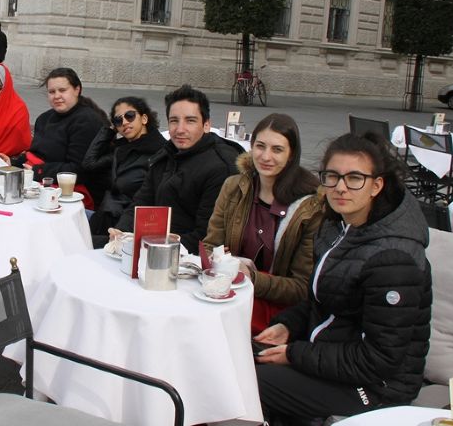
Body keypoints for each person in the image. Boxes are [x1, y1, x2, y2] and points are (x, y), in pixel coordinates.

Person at [254, 132, 432, 425]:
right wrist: (289, 324)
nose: (340, 187)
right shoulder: (337, 226)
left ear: (376, 185)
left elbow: (381, 359)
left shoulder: (394, 258)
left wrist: (296, 355)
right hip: (329, 356)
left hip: (378, 387)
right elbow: (322, 301)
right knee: (236, 356)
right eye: (332, 176)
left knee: (249, 383)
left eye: (354, 178)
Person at [202, 113, 323, 334]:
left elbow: (301, 287)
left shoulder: (309, 207)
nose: (266, 156)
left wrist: (251, 278)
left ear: (291, 154)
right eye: (260, 146)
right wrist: (218, 261)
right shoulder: (234, 187)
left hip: (276, 312)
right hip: (227, 295)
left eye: (277, 149)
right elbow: (211, 245)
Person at [115, 84, 238, 252]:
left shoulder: (220, 167)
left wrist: (152, 244)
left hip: (185, 259)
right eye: (174, 121)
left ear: (207, 125)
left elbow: (206, 236)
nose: (180, 129)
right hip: (152, 245)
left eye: (190, 121)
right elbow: (141, 203)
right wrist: (121, 232)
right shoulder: (166, 154)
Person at [10, 67, 109, 207]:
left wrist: (37, 171)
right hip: (39, 184)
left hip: (72, 194)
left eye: (62, 90)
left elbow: (78, 170)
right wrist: (12, 163)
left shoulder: (87, 121)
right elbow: (35, 153)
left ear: (77, 90)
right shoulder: (44, 118)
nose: (56, 96)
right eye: (51, 92)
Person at [82, 96, 165, 243]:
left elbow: (148, 201)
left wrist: (122, 230)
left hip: (125, 228)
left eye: (130, 116)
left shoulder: (158, 152)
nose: (125, 122)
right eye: (118, 120)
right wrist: (109, 130)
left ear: (144, 118)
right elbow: (89, 163)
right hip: (104, 218)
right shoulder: (122, 149)